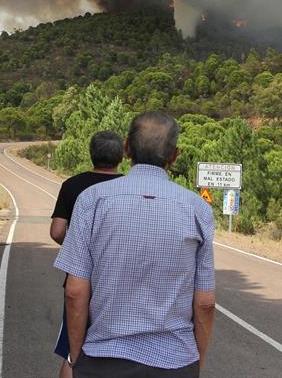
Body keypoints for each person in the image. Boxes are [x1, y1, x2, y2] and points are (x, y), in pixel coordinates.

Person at [54, 111, 216, 377]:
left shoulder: (91, 200)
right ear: (175, 155)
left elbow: (75, 292)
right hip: (175, 360)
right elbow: (205, 303)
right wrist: (196, 362)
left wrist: (74, 357)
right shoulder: (197, 209)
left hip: (102, 359)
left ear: (127, 148)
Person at [50, 130, 124, 378]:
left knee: (73, 352)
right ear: (122, 156)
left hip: (80, 278)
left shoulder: (72, 185)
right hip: (119, 278)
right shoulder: (127, 187)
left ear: (91, 154)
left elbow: (57, 230)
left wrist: (76, 249)